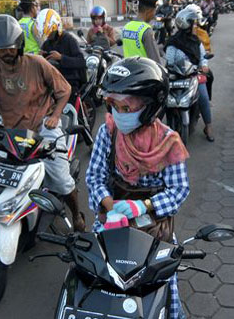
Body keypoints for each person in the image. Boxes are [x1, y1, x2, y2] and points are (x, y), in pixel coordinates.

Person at [85, 57, 190, 319]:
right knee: (91, 278)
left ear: (149, 107)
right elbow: (95, 177)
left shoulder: (169, 142)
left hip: (154, 225)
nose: (118, 114)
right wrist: (111, 209)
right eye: (113, 105)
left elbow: (178, 191)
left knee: (166, 288)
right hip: (111, 220)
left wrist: (142, 206)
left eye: (126, 107)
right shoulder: (108, 131)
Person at [0, 15, 85, 232]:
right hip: (12, 131)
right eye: (1, 49)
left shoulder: (37, 63)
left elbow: (64, 90)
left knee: (61, 179)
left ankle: (76, 214)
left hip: (43, 128)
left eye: (11, 48)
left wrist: (55, 116)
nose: (6, 53)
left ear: (19, 45)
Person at [165, 5, 215, 142]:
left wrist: (204, 66)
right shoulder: (173, 42)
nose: (196, 26)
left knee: (203, 96)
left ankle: (208, 126)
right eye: (194, 23)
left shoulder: (196, 42)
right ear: (187, 24)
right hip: (176, 76)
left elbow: (203, 57)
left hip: (192, 75)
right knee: (161, 98)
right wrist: (171, 67)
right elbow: (169, 60)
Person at [37, 8, 87, 94]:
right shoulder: (47, 43)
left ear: (56, 28)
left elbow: (81, 61)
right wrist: (40, 58)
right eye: (46, 34)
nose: (48, 36)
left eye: (50, 33)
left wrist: (61, 58)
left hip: (70, 81)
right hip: (53, 81)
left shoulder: (69, 39)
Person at [121, 0, 163, 64]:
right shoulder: (145, 30)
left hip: (128, 70)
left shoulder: (126, 27)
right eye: (154, 12)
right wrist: (163, 73)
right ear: (148, 11)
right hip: (144, 72)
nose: (153, 15)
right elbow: (155, 60)